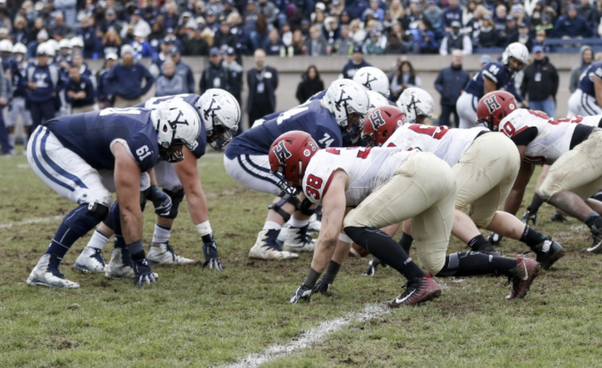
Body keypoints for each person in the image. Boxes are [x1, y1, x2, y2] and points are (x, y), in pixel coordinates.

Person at [272, 131, 540, 306]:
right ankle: (517, 267)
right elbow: (342, 227)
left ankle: (418, 281)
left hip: (419, 172)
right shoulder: (328, 161)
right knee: (436, 263)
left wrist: (307, 285)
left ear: (295, 161)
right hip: (436, 172)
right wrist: (328, 278)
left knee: (356, 224)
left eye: (283, 169)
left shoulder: (316, 172)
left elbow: (331, 234)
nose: (285, 177)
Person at [26, 100, 201, 288]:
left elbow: (144, 166)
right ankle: (46, 267)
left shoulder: (149, 129)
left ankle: (121, 262)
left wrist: (153, 189)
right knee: (98, 202)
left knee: (141, 186)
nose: (178, 149)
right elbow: (127, 209)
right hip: (52, 143)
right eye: (178, 142)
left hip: (83, 151)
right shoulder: (137, 138)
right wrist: (140, 259)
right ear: (166, 128)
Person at [365, 106, 565, 270]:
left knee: (443, 204)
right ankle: (543, 244)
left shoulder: (395, 144)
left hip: (484, 150)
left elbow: (402, 203)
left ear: (381, 130)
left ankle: (488, 254)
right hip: (502, 146)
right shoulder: (411, 133)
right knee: (483, 216)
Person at [74, 90, 241, 275]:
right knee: (138, 195)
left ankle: (159, 247)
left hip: (147, 136)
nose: (219, 135)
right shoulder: (190, 122)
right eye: (219, 129)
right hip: (132, 139)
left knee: (174, 185)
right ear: (208, 115)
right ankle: (92, 250)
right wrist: (208, 241)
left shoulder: (195, 106)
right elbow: (193, 189)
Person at [477, 92, 602, 254]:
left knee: (548, 190)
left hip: (597, 144)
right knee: (566, 203)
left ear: (497, 114)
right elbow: (516, 190)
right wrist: (500, 230)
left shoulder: (512, 123)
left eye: (487, 121)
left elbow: (509, 171)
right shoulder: (523, 125)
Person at [224, 80, 370, 260]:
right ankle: (264, 242)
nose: (356, 119)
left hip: (265, 152)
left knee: (315, 180)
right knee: (297, 183)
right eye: (354, 114)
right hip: (247, 154)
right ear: (339, 106)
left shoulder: (320, 108)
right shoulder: (326, 127)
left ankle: (295, 237)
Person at [455, 44, 528, 129]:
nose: (515, 65)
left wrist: (522, 100)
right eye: (513, 60)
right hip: (472, 100)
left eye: (519, 63)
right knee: (489, 130)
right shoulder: (498, 68)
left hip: (467, 101)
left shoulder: (508, 75)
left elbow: (511, 92)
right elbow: (489, 97)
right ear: (507, 56)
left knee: (465, 135)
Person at [26, 44, 61, 134]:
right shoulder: (31, 68)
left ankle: (51, 145)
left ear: (47, 58)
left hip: (48, 99)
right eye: (40, 56)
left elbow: (61, 82)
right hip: (34, 99)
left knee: (50, 124)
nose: (41, 59)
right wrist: (28, 84)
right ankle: (35, 145)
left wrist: (55, 91)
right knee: (35, 124)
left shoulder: (53, 68)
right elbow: (22, 81)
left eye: (43, 57)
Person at [434, 50, 470, 127]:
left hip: (459, 103)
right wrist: (443, 91)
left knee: (459, 124)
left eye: (460, 57)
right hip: (446, 102)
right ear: (452, 58)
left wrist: (463, 93)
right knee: (443, 124)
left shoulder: (465, 74)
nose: (458, 59)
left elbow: (468, 88)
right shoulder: (444, 71)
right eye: (456, 57)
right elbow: (437, 83)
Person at [521, 46, 559, 117]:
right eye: (536, 53)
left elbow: (556, 80)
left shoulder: (550, 67)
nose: (538, 55)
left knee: (551, 119)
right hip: (533, 100)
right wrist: (523, 98)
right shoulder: (529, 68)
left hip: (547, 99)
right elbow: (524, 84)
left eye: (540, 53)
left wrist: (552, 94)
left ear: (543, 53)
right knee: (534, 120)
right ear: (533, 54)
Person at [7, 43, 31, 151]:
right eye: (16, 53)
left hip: (26, 98)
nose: (18, 55)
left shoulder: (28, 66)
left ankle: (27, 146)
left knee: (27, 123)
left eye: (20, 53)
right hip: (14, 98)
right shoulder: (11, 66)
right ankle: (11, 145)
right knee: (11, 123)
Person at [246, 49, 279, 126]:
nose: (259, 59)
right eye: (257, 57)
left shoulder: (272, 71)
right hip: (254, 106)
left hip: (268, 105)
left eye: (261, 57)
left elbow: (275, 84)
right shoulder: (250, 73)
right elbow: (249, 86)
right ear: (254, 58)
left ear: (264, 58)